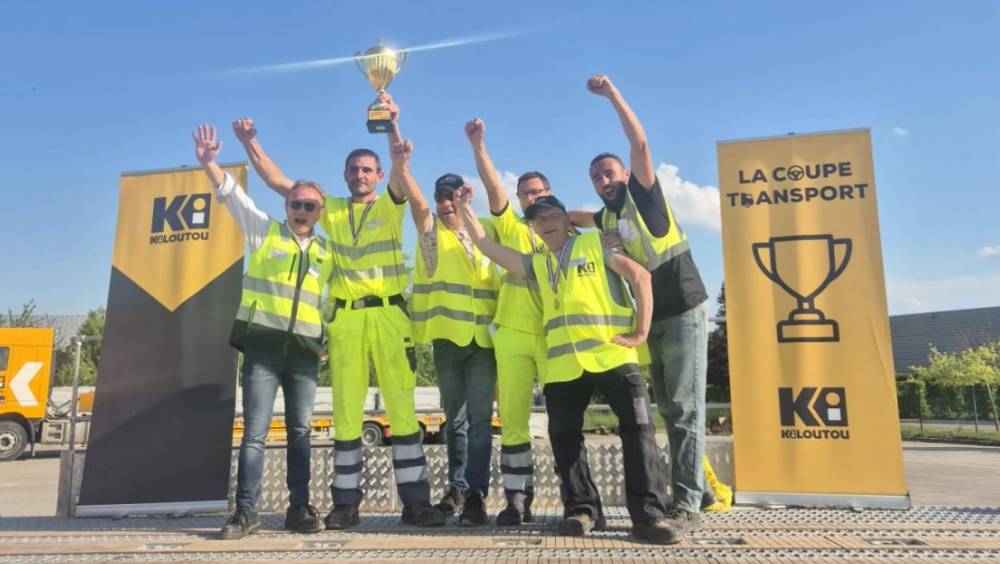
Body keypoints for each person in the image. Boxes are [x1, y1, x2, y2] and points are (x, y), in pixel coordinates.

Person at [231, 99, 445, 529]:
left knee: (402, 409)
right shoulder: (327, 208)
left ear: (378, 175)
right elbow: (279, 183)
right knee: (347, 411)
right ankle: (345, 505)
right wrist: (251, 142)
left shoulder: (389, 203)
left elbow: (404, 173)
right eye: (354, 170)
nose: (360, 176)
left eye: (368, 170)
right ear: (345, 176)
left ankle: (416, 503)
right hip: (346, 318)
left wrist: (392, 126)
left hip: (389, 316)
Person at [455, 189, 678, 544]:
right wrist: (466, 209)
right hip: (563, 365)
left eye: (553, 216)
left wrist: (641, 331)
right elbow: (487, 246)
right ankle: (582, 510)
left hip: (613, 355)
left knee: (639, 433)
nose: (546, 224)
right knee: (564, 439)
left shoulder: (595, 245)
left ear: (567, 220)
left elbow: (641, 277)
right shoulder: (539, 264)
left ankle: (649, 517)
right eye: (538, 220)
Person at [572, 74, 710, 541]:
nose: (603, 180)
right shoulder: (606, 217)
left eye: (609, 173)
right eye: (596, 178)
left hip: (685, 308)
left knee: (684, 409)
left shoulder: (644, 195)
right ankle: (699, 490)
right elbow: (572, 217)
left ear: (626, 175)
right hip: (649, 318)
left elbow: (640, 140)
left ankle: (688, 502)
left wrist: (611, 94)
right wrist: (536, 209)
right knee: (668, 411)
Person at [192, 124, 333, 539]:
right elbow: (232, 196)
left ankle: (298, 508)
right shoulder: (265, 231)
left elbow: (343, 298)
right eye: (296, 203)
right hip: (264, 352)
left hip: (305, 356)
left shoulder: (328, 253)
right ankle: (246, 512)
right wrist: (208, 162)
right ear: (286, 205)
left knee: (302, 434)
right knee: (254, 434)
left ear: (320, 212)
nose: (301, 210)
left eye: (309, 205)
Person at [393, 133, 500, 525]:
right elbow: (418, 203)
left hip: (485, 342)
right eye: (442, 195)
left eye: (453, 195)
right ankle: (457, 487)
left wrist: (471, 200)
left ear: (463, 197)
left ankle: (476, 495)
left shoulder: (483, 229)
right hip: (449, 342)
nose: (446, 201)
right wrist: (401, 162)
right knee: (453, 420)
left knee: (479, 423)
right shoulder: (430, 235)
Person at [462, 118, 552, 525]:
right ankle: (517, 499)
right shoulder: (511, 226)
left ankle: (581, 501)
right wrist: (479, 145)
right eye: (525, 192)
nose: (531, 197)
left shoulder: (565, 233)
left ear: (548, 194)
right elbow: (493, 185)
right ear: (518, 198)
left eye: (538, 191)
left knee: (565, 421)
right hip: (513, 334)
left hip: (555, 337)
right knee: (513, 420)